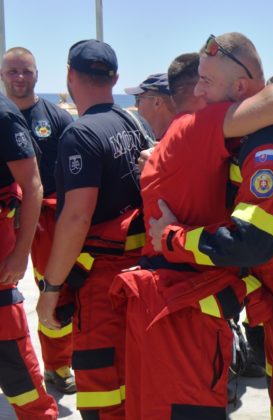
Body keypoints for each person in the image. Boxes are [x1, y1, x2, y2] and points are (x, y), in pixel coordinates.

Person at [148, 41, 273, 420]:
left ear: (240, 88)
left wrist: (173, 238)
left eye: (206, 81)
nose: (198, 91)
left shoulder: (269, 150)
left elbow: (250, 244)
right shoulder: (255, 137)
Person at [109, 32, 273, 418]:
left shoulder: (177, 140)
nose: (202, 89)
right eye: (200, 81)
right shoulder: (194, 128)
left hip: (169, 307)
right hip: (181, 311)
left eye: (207, 80)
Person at [35, 39, 153, 419]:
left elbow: (75, 218)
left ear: (70, 75)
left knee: (102, 389)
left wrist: (51, 289)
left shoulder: (80, 134)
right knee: (132, 378)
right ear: (115, 77)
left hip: (102, 287)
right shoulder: (133, 123)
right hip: (137, 276)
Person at [1, 46, 76, 394]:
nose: (19, 78)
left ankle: (58, 367)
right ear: (2, 75)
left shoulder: (57, 118)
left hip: (47, 218)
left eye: (26, 71)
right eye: (12, 71)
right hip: (4, 220)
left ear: (37, 75)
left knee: (54, 290)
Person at [0, 91, 57, 419]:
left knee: (10, 348)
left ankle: (39, 415)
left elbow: (33, 185)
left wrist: (21, 254)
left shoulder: (3, 115)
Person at [125, 73, 175, 139]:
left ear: (157, 102)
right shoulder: (178, 135)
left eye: (138, 99)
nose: (135, 105)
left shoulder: (175, 143)